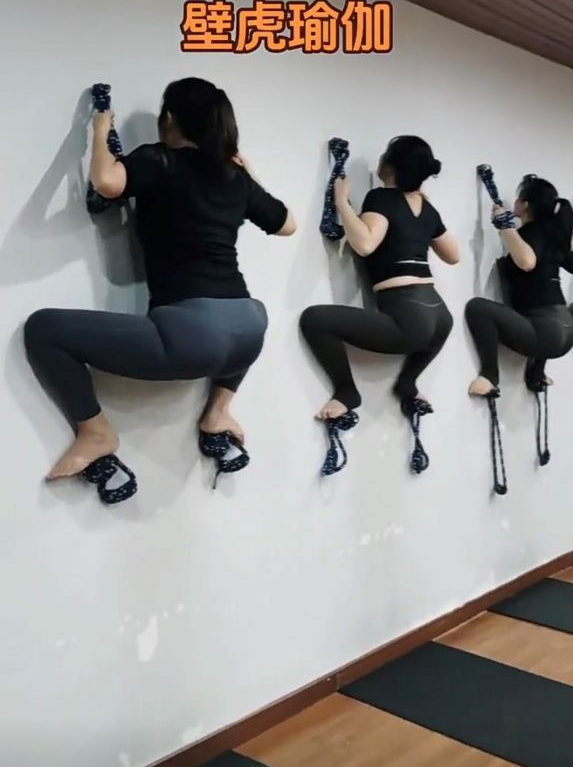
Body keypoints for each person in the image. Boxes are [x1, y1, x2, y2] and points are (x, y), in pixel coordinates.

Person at [25, 77, 296, 481]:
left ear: (169, 119)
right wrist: (246, 171)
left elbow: (107, 182)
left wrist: (100, 129)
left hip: (192, 333)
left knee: (44, 329)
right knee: (236, 326)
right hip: (250, 328)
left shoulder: (161, 159)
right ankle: (218, 410)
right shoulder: (233, 176)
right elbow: (287, 224)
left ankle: (95, 432)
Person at [300, 135, 459, 421]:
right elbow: (453, 255)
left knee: (315, 319)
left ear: (391, 165)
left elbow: (365, 244)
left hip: (409, 314)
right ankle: (408, 383)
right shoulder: (427, 208)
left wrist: (342, 202)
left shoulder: (382, 197)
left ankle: (346, 392)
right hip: (440, 318)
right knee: (419, 346)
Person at [466, 175, 573, 396]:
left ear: (524, 205)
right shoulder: (553, 238)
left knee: (477, 308)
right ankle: (537, 373)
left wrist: (506, 228)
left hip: (545, 332)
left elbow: (526, 262)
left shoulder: (530, 232)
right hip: (566, 332)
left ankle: (489, 376)